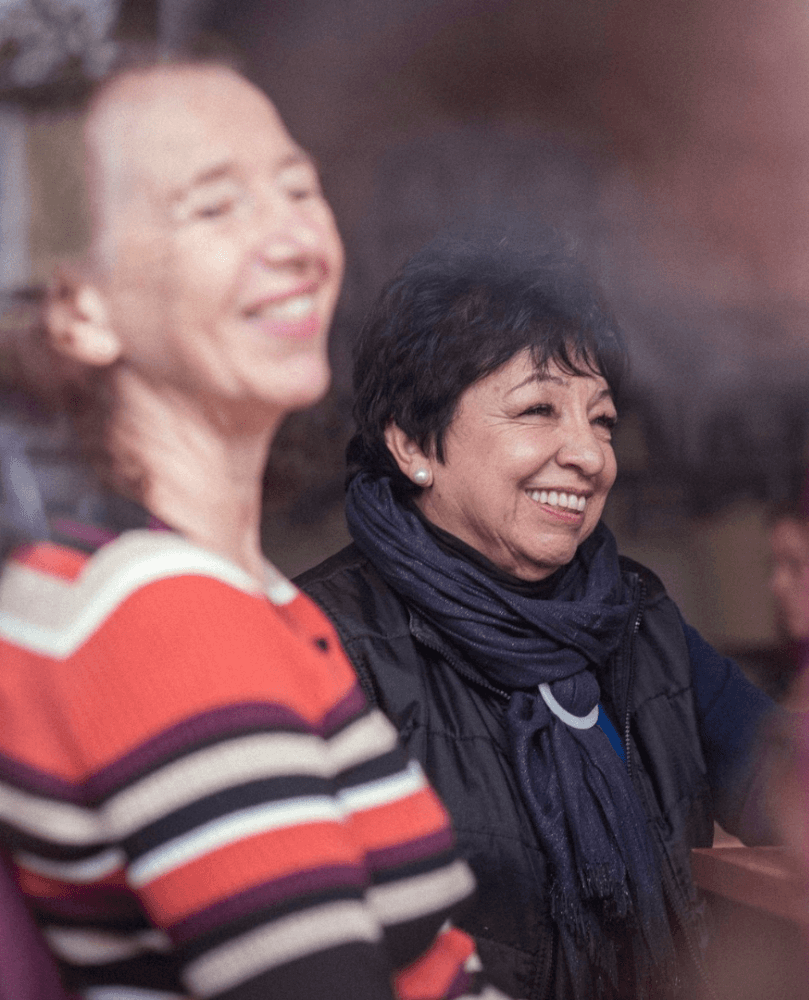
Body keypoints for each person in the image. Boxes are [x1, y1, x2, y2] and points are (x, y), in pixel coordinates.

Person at [0, 57, 504, 1000]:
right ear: (81, 308)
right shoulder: (157, 618)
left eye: (297, 187)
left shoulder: (222, 589)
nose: (295, 239)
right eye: (214, 206)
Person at [296, 233, 783, 1000]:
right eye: (538, 410)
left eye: (603, 419)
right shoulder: (321, 643)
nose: (588, 455)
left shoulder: (635, 616)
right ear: (414, 443)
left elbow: (788, 778)